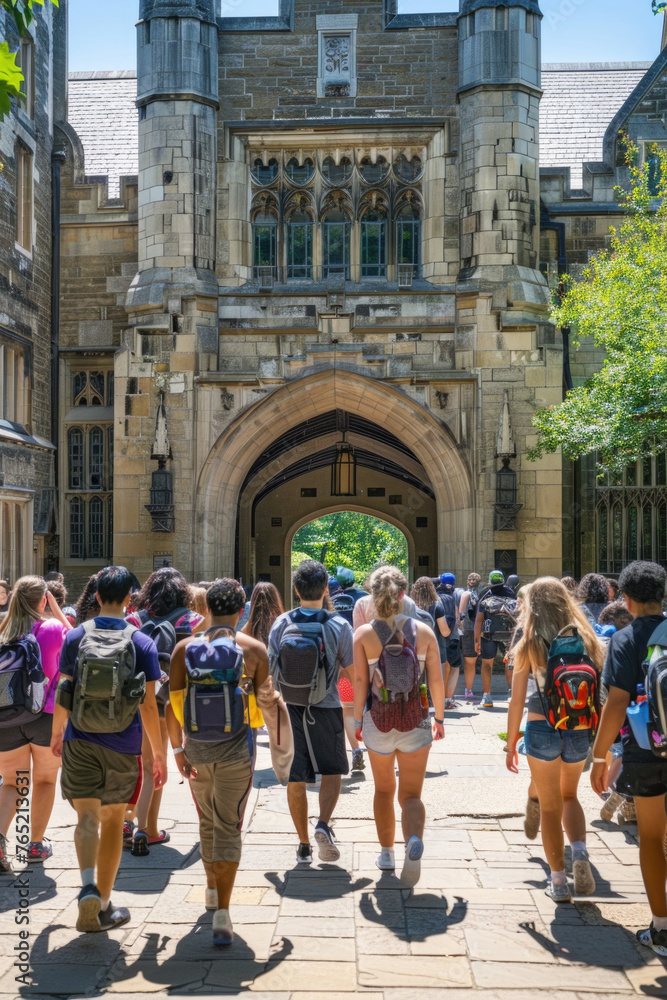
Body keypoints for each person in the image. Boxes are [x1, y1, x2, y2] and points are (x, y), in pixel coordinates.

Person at [50, 566, 166, 932]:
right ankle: (102, 902)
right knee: (114, 820)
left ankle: (87, 885)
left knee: (85, 818)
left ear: (97, 597)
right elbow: (149, 704)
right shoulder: (141, 640)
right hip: (123, 742)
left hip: (80, 738)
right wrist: (159, 753)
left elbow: (64, 690)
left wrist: (57, 732)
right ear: (130, 598)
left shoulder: (76, 637)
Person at [167, 577, 270, 947]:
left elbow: (171, 706)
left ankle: (211, 888)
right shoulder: (254, 649)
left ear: (205, 609)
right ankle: (223, 913)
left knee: (206, 818)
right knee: (230, 822)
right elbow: (262, 711)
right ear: (240, 611)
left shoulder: (184, 649)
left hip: (194, 749)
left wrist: (178, 750)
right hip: (237, 750)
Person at [506, 577, 604, 902]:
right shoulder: (586, 638)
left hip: (541, 725)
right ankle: (579, 851)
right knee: (570, 797)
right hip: (578, 727)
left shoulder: (529, 640)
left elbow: (517, 699)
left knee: (549, 808)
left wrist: (510, 744)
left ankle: (559, 883)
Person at [591, 561, 667, 956]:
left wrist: (600, 758)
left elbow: (617, 702)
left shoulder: (623, 639)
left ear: (626, 599)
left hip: (647, 748)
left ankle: (661, 929)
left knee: (652, 837)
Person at [353, 566, 445, 886]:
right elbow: (436, 681)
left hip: (378, 721)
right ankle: (413, 841)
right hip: (416, 719)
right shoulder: (424, 632)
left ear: (372, 597)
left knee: (382, 789)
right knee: (411, 794)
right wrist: (441, 719)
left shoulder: (363, 634)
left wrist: (355, 721)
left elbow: (360, 683)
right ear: (404, 594)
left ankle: (386, 853)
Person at [268, 559, 353, 865]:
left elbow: (270, 670)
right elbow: (349, 675)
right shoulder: (339, 625)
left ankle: (303, 843)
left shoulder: (281, 623)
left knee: (296, 776)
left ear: (295, 590)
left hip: (291, 707)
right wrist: (350, 707)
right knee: (332, 771)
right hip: (327, 707)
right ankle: (323, 825)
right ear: (326, 589)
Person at [125, 567, 203, 854]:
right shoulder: (192, 621)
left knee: (146, 767)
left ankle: (139, 827)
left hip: (141, 699)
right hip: (175, 702)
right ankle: (148, 829)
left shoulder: (134, 620)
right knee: (165, 766)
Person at [0, 577, 71, 872]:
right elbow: (76, 638)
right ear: (43, 601)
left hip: (6, 717)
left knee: (12, 784)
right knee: (43, 781)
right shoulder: (53, 628)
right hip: (46, 716)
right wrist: (56, 610)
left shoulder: (3, 628)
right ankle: (34, 845)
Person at [474, 570, 518, 709]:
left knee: (487, 664)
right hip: (508, 634)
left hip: (489, 633)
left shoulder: (485, 594)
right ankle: (512, 695)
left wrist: (476, 640)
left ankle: (487, 696)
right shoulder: (511, 593)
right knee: (509, 663)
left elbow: (479, 620)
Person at [410, 576, 450, 704]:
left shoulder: (408, 605)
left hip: (414, 647)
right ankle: (433, 701)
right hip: (434, 646)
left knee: (418, 679)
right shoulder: (437, 605)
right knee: (434, 678)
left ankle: (421, 701)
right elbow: (444, 631)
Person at [435, 573, 463, 704]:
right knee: (455, 666)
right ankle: (448, 698)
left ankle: (438, 697)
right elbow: (457, 618)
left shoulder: (433, 596)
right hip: (451, 636)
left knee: (440, 666)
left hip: (436, 636)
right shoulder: (455, 595)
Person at [459, 572, 481, 702]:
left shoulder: (465, 594)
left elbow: (461, 613)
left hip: (468, 629)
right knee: (475, 661)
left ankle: (468, 690)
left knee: (469, 663)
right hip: (480, 630)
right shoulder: (482, 594)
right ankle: (473, 689)